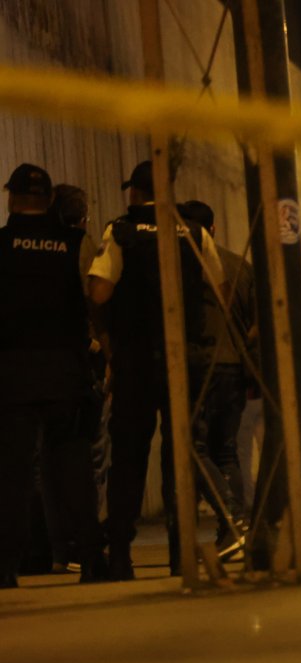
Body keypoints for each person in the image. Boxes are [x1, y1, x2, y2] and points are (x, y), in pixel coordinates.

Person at [87, 161, 236, 579]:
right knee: (181, 455)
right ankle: (179, 552)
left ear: (135, 192)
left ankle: (120, 555)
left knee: (128, 457)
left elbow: (99, 291)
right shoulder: (194, 232)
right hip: (183, 359)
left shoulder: (120, 232)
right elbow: (221, 291)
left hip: (135, 361)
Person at [0, 164, 108, 587]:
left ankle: (6, 567)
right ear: (48, 200)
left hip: (12, 375)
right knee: (75, 469)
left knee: (12, 474)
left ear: (11, 198)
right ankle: (92, 560)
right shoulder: (74, 243)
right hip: (65, 371)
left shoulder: (1, 244)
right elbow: (95, 300)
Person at [178, 200, 256, 555]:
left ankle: (233, 519)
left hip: (198, 363)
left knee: (192, 447)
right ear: (213, 228)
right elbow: (257, 323)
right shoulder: (240, 265)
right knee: (226, 450)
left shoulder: (179, 264)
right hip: (233, 366)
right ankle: (234, 531)